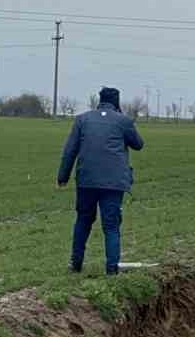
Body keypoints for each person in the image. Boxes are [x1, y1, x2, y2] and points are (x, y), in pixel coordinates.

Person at [57, 86, 144, 275]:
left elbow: (70, 150)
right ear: (117, 102)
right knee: (111, 226)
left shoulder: (82, 120)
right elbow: (138, 145)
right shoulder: (123, 121)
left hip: (86, 180)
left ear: (99, 100)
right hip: (114, 183)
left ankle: (76, 263)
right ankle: (112, 268)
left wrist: (62, 177)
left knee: (83, 220)